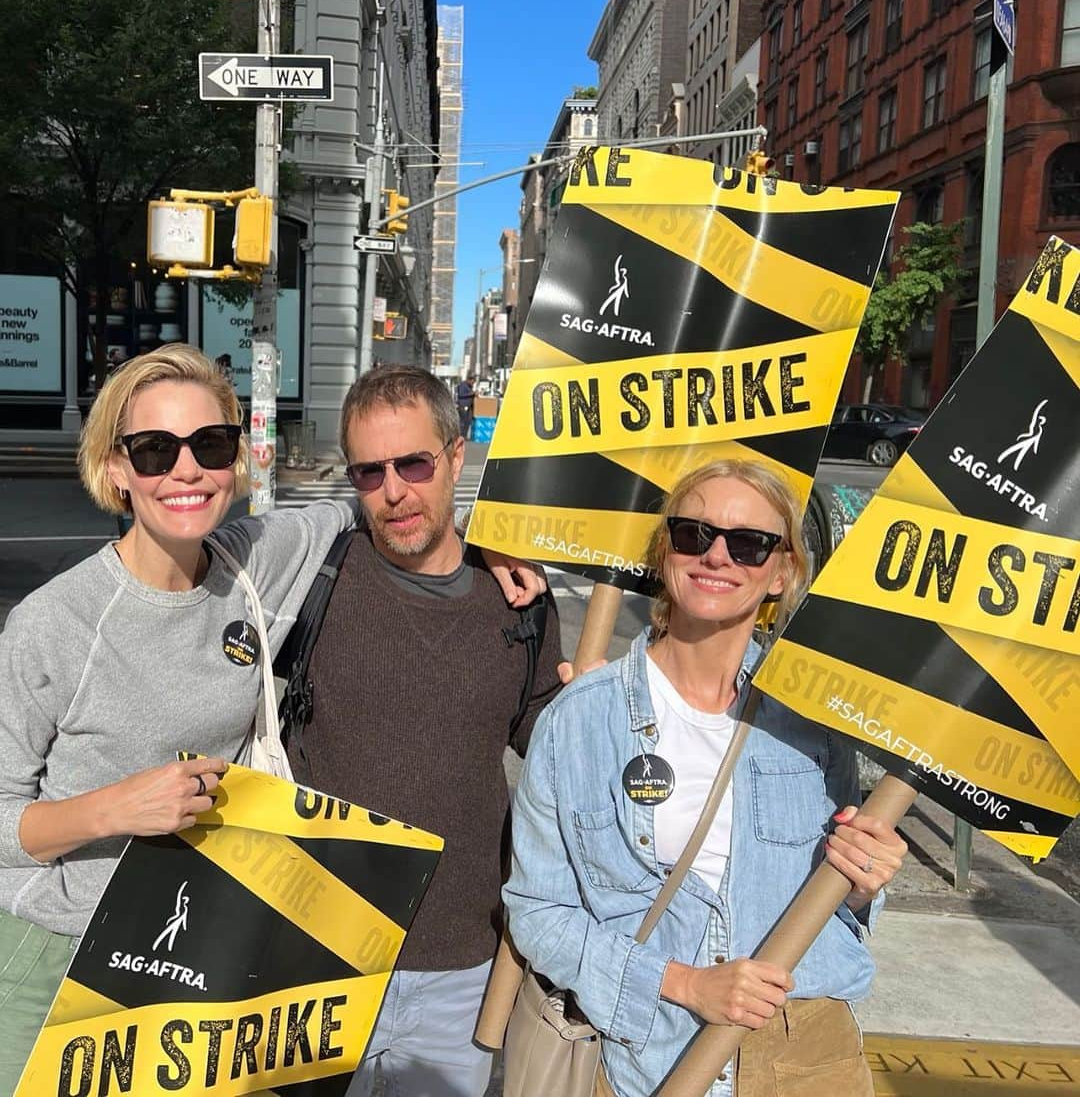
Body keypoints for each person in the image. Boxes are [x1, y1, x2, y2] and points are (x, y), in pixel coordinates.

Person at [0, 345, 544, 1094]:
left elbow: (388, 497)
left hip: (201, 957)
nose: (186, 470)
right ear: (115, 467)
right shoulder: (53, 624)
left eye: (210, 445)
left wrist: (488, 541)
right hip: (60, 952)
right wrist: (115, 809)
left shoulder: (253, 564)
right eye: (156, 450)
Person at [504, 459, 909, 1097]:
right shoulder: (580, 720)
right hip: (648, 1060)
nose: (718, 556)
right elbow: (538, 911)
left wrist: (863, 880)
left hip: (804, 1060)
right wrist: (683, 982)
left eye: (749, 544)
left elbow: (841, 904)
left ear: (782, 573)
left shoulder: (813, 716)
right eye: (695, 533)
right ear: (665, 550)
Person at [288, 365, 566, 1097]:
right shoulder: (314, 579)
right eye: (369, 471)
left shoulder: (521, 604)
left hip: (460, 973)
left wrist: (589, 712)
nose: (394, 490)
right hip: (310, 963)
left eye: (413, 462)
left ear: (455, 456)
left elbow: (554, 758)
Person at [455, 373, 476, 439]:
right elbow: (461, 394)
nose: (473, 384)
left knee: (468, 420)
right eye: (472, 382)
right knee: (463, 421)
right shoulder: (462, 385)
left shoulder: (469, 386)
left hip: (469, 407)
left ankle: (464, 435)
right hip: (463, 406)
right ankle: (460, 436)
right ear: (469, 380)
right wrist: (472, 393)